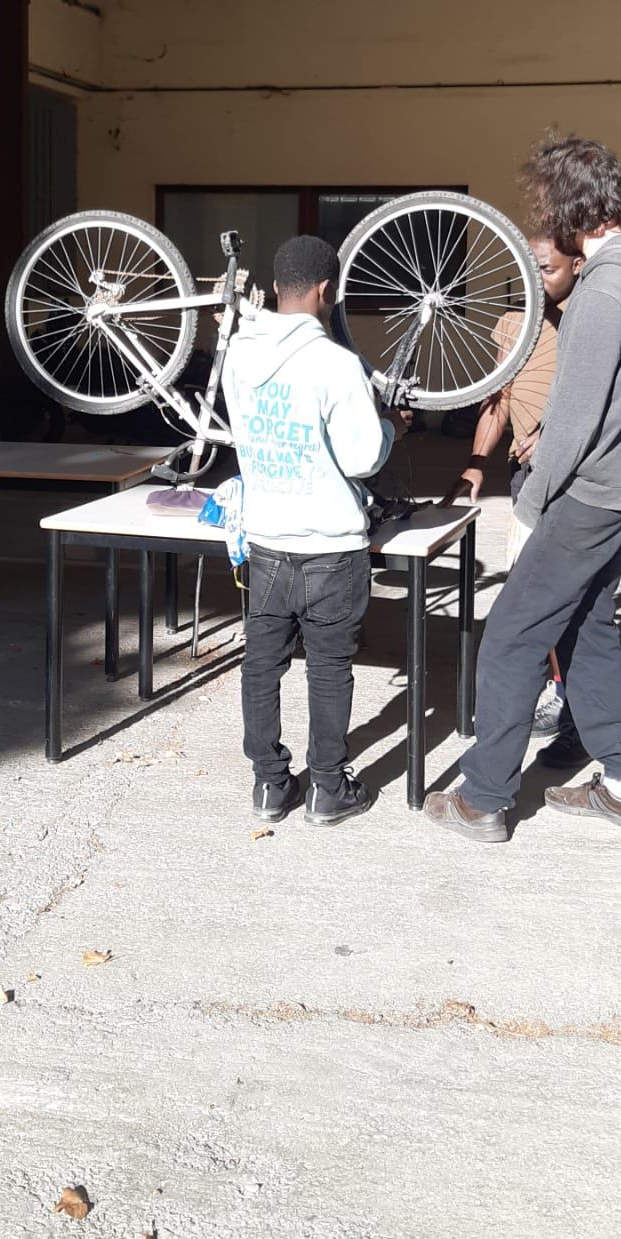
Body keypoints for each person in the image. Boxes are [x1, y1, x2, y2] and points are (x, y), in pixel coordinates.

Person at [425, 135, 621, 843]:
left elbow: (571, 419)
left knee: (510, 638)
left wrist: (533, 502)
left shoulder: (604, 290)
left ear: (569, 209)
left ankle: (484, 799)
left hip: (587, 493)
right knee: (587, 629)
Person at [223, 234, 409, 829]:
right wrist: (391, 427)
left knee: (261, 664)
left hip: (267, 542)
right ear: (328, 290)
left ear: (277, 287)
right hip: (331, 547)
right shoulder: (336, 364)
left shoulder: (237, 354)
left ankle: (269, 785)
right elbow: (362, 458)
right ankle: (328, 789)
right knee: (328, 669)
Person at [444, 232, 582, 751]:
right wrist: (477, 464)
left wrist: (553, 435)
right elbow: (499, 399)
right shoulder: (511, 324)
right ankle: (559, 691)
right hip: (525, 477)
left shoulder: (585, 321)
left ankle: (574, 711)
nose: (535, 278)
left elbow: (598, 401)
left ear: (576, 264)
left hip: (574, 479)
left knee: (575, 601)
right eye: (528, 267)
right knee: (530, 592)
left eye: (546, 268)